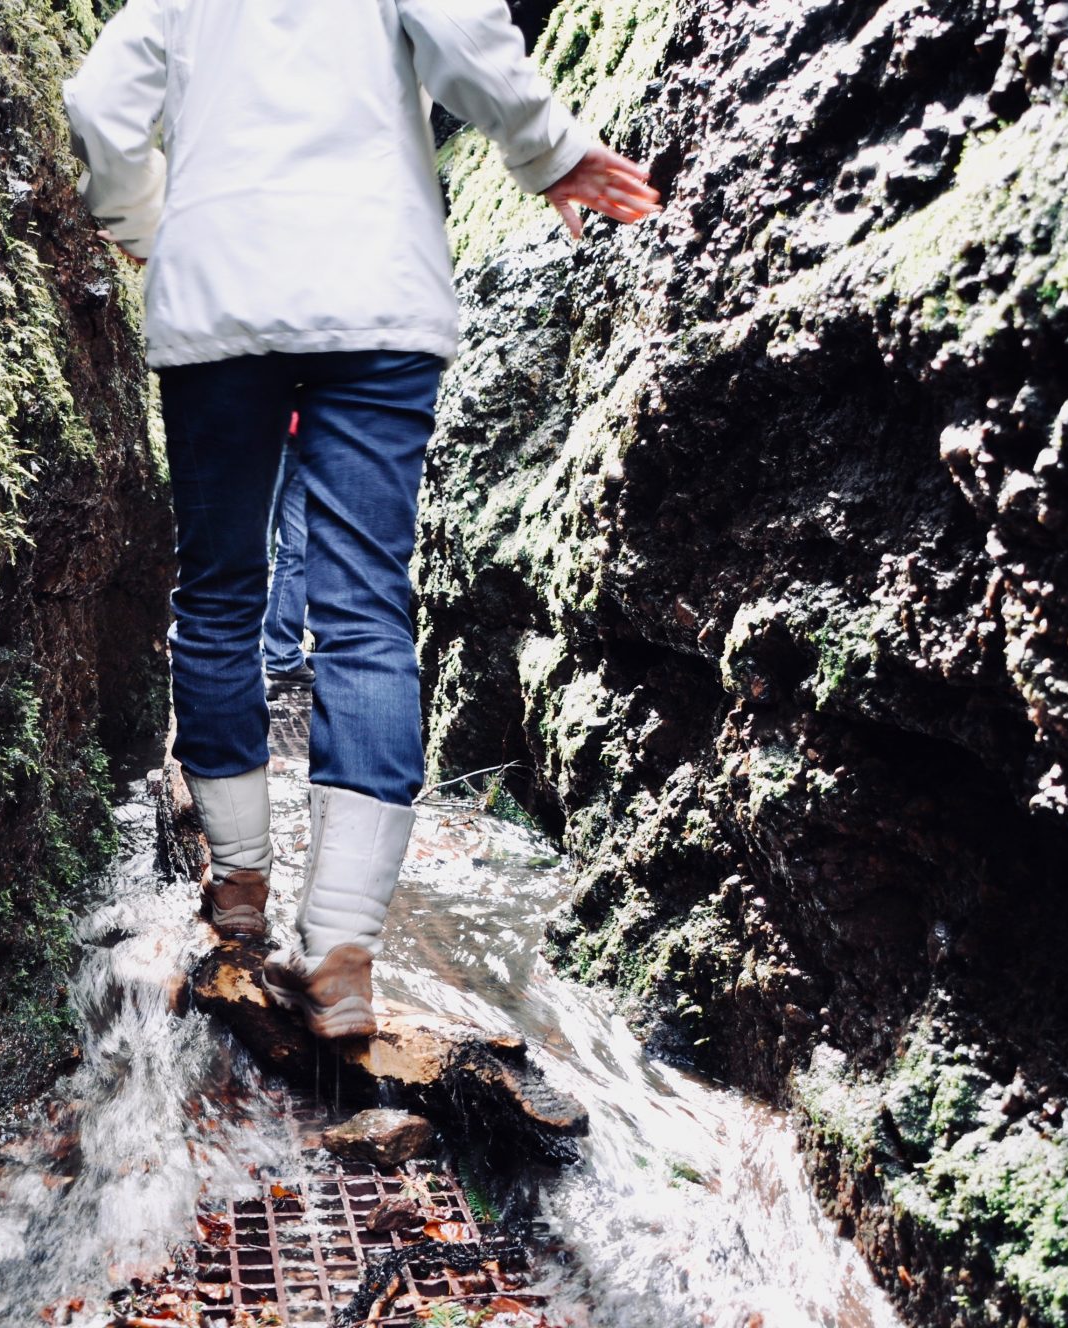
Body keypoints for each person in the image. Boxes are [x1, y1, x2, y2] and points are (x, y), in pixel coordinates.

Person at [65, 0, 658, 1039]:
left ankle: (236, 895)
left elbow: (99, 102)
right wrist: (548, 150)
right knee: (367, 617)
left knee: (215, 598)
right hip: (376, 295)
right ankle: (340, 951)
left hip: (219, 300)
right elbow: (466, 37)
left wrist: (150, 226)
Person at [263, 412, 314, 694]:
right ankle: (244, 671)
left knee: (298, 551)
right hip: (267, 432)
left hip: (306, 441)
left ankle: (282, 659)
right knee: (254, 547)